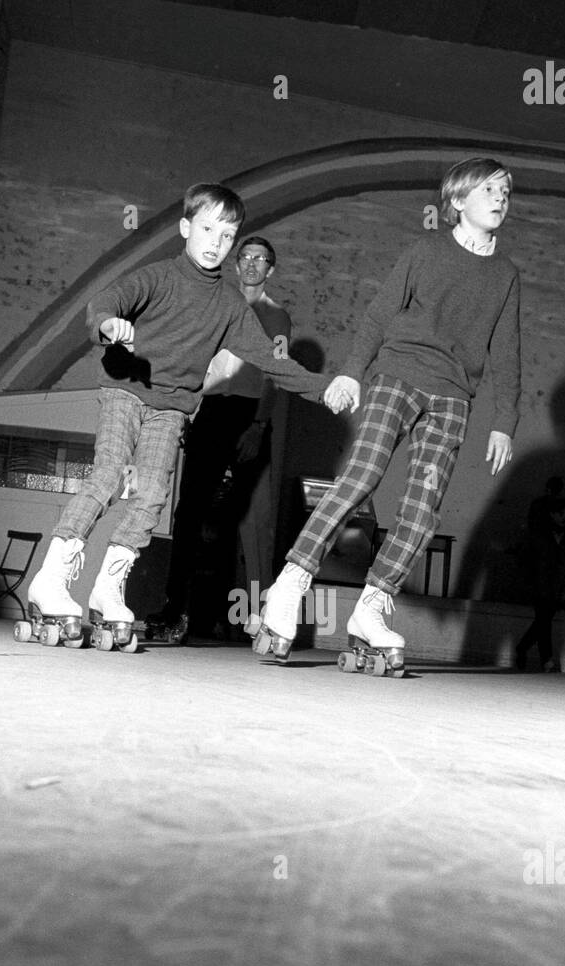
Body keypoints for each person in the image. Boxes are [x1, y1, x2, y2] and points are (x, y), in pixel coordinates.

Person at [23, 185, 337, 648]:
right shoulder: (157, 278)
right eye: (207, 229)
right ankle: (52, 578)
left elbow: (273, 363)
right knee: (109, 474)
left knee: (151, 495)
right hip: (125, 390)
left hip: (171, 408)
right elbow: (104, 304)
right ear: (186, 228)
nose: (215, 241)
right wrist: (110, 326)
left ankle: (108, 588)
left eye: (227, 235)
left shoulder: (231, 307)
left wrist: (325, 387)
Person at [248, 156, 520, 669]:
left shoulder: (505, 274)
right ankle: (290, 585)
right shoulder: (427, 250)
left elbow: (507, 350)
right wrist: (352, 370)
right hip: (398, 373)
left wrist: (505, 421)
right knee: (361, 477)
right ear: (458, 201)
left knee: (422, 506)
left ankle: (372, 607)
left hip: (453, 396)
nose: (500, 198)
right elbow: (380, 312)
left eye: (506, 191)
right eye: (489, 190)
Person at [146, 234, 291, 642]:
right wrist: (187, 410)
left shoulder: (276, 317)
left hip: (246, 415)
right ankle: (175, 610)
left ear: (270, 269)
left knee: (229, 520)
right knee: (188, 512)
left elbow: (275, 375)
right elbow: (198, 360)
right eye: (244, 257)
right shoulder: (219, 305)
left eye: (260, 259)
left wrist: (258, 426)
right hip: (209, 409)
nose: (250, 264)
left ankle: (217, 617)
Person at [515, 497, 565, 673]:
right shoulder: (539, 533)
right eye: (561, 514)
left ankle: (523, 648)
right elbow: (528, 558)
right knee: (544, 620)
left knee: (543, 621)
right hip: (540, 584)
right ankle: (547, 660)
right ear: (552, 515)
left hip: (558, 586)